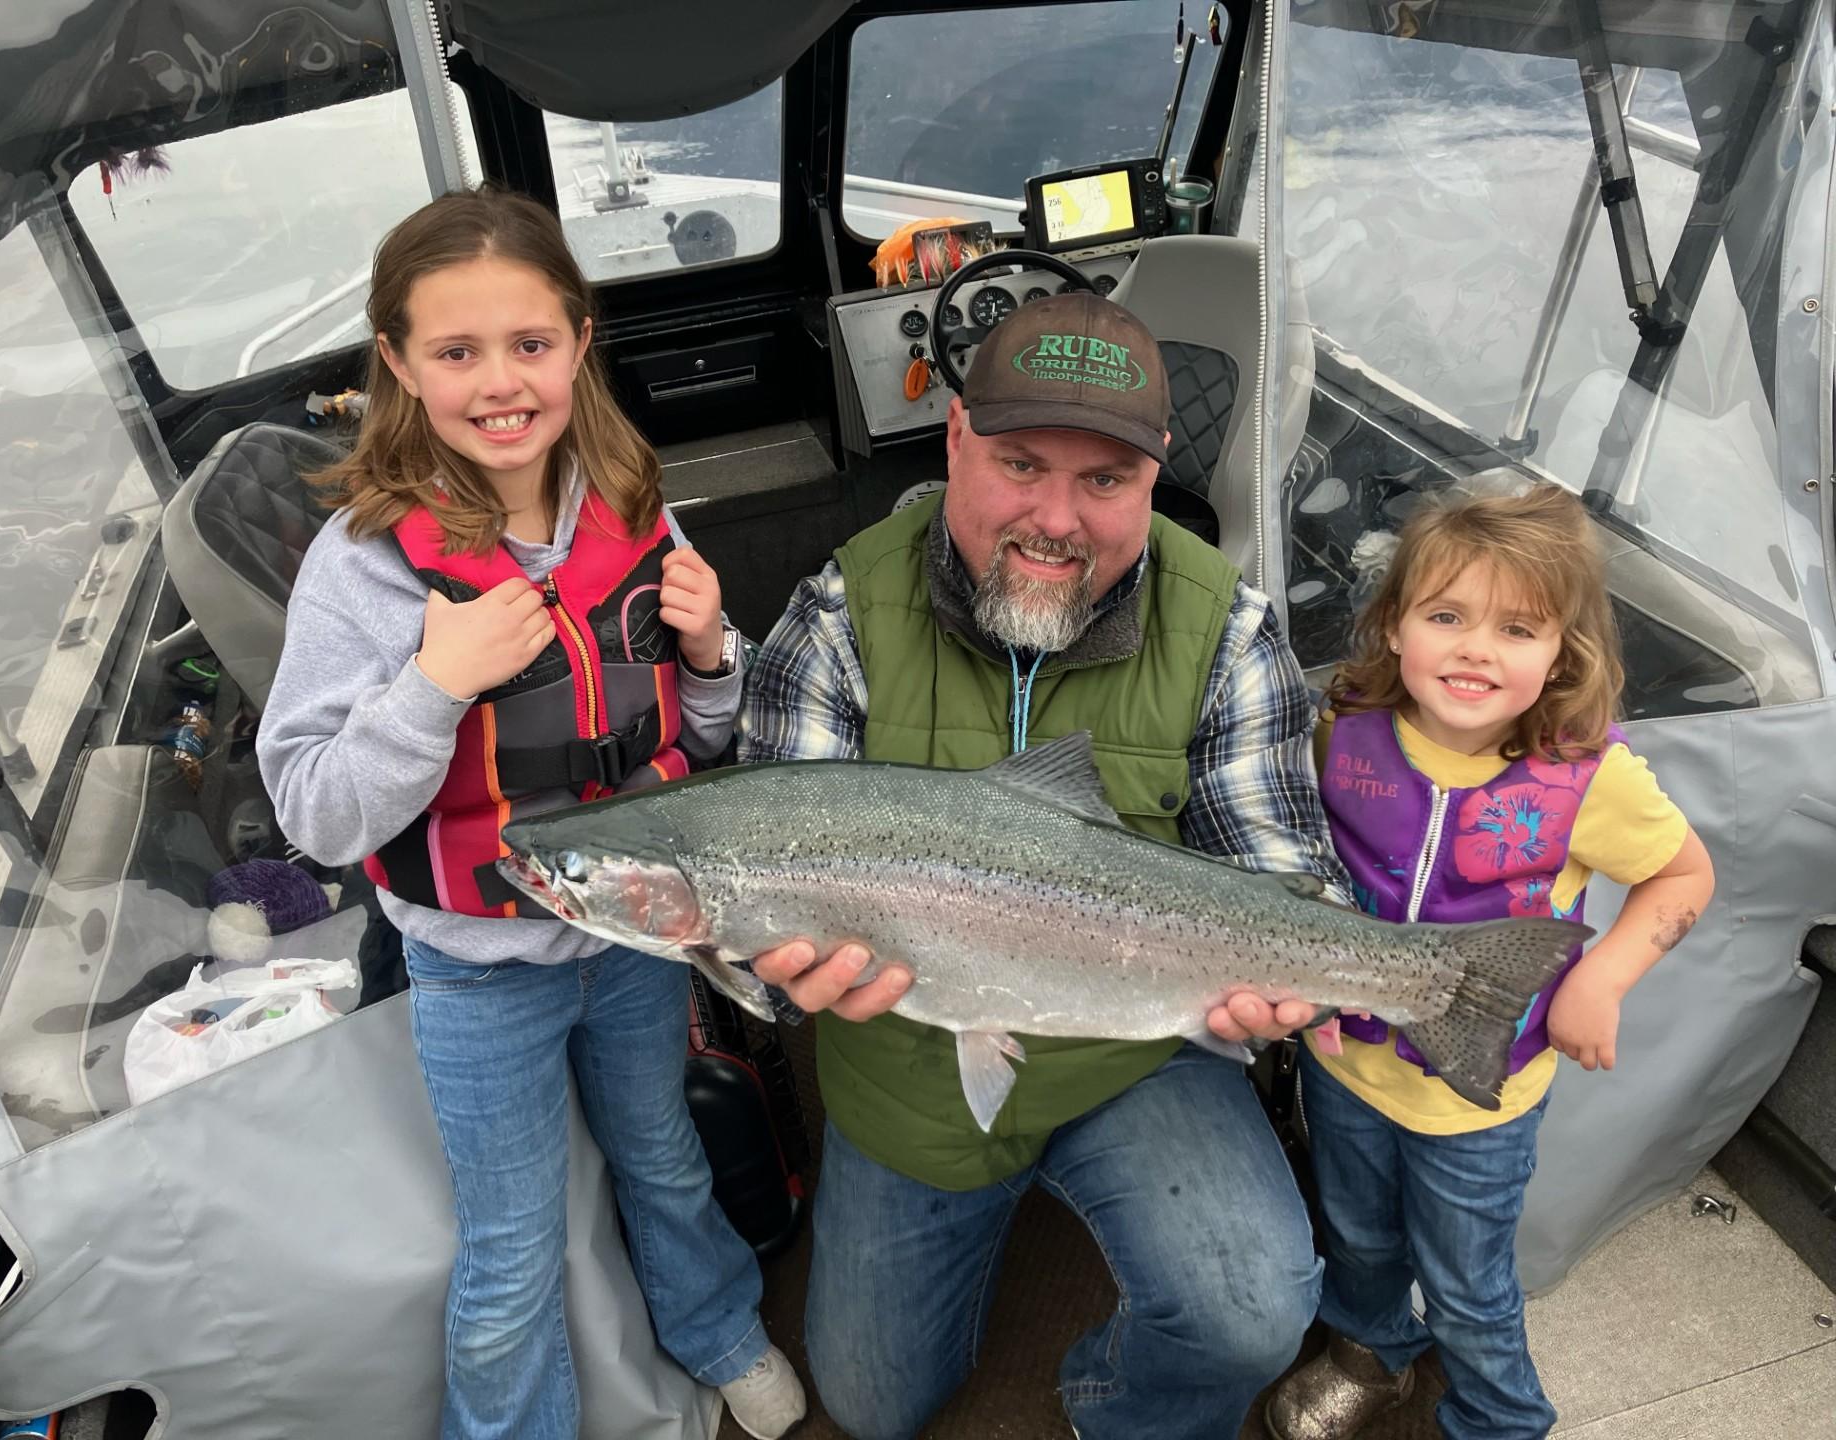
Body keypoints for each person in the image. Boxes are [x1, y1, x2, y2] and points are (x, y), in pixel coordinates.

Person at [738, 291, 1345, 1439]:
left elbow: (1274, 856)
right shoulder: (837, 615)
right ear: (956, 438)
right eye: (1020, 464)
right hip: (910, 1055)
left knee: (1250, 1312)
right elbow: (768, 877)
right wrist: (777, 971)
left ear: (1154, 481)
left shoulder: (1228, 624)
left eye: (1104, 481)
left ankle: (1109, 1404)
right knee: (871, 1406)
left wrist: (1285, 987)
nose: (1056, 519)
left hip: (1139, 1048)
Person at [257, 187, 803, 1440]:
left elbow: (710, 745)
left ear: (579, 338)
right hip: (475, 972)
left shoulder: (633, 508)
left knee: (664, 1158)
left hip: (638, 945)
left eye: (530, 344)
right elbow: (319, 815)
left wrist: (717, 652)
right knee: (510, 1248)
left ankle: (717, 1329)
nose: (500, 383)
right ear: (396, 362)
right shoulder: (362, 569)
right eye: (456, 352)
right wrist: (435, 684)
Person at [1264, 482, 1715, 1440]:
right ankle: (1370, 1351)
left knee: (1467, 1283)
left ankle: (1500, 1418)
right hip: (1346, 1067)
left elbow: (1683, 876)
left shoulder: (1594, 778)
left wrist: (1601, 978)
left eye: (1518, 628)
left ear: (1562, 653)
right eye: (1446, 616)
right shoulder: (1340, 729)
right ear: (1392, 628)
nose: (1475, 648)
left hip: (1479, 1100)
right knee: (1354, 1232)